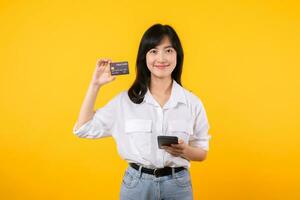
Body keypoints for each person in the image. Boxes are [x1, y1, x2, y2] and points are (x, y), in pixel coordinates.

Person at [73, 23, 211, 200]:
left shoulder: (192, 102)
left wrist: (184, 150)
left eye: (168, 50)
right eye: (153, 51)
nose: (161, 58)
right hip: (136, 186)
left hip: (178, 186)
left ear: (178, 55)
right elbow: (83, 128)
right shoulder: (125, 101)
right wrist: (95, 85)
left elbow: (202, 153)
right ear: (144, 57)